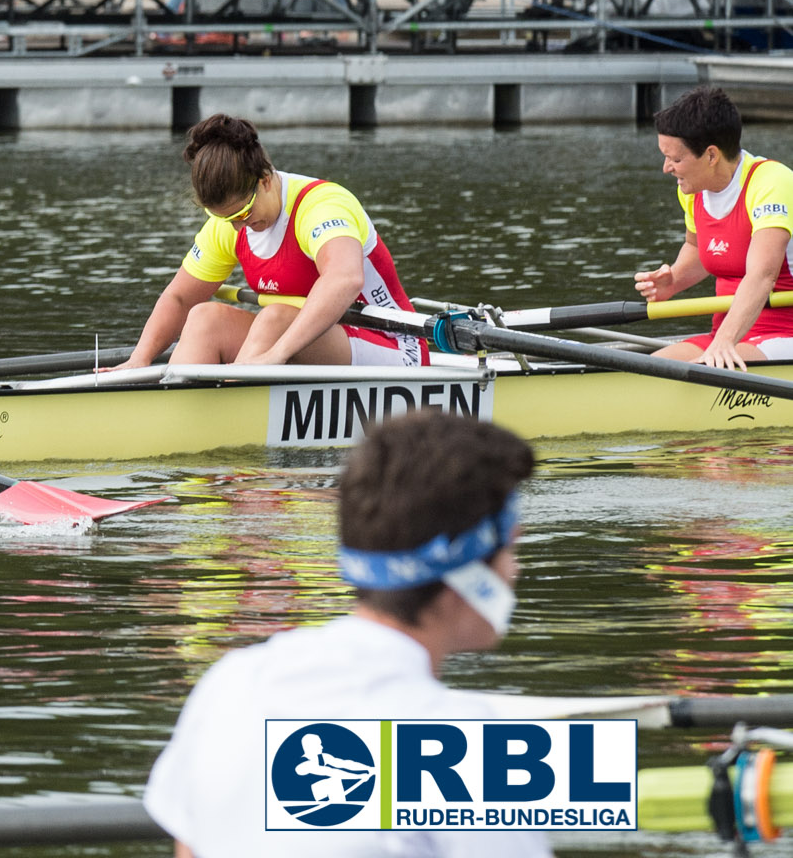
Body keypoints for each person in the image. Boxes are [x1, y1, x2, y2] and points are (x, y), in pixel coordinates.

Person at [145, 410, 545, 858]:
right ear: (466, 568)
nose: (515, 570)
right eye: (511, 547)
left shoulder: (232, 681)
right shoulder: (466, 745)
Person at [122, 114, 429, 368]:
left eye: (243, 212)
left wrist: (276, 354)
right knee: (205, 318)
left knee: (275, 318)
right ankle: (182, 413)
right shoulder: (229, 223)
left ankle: (233, 402)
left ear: (265, 180)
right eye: (228, 219)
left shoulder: (321, 206)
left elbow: (344, 280)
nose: (239, 226)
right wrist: (139, 359)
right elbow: (180, 298)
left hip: (393, 345)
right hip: (306, 342)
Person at [635, 86, 793, 370]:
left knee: (705, 369)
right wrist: (674, 281)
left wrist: (726, 340)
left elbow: (762, 276)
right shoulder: (691, 190)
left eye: (676, 159)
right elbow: (698, 248)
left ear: (711, 155)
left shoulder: (771, 183)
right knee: (649, 368)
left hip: (784, 330)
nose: (666, 168)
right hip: (726, 331)